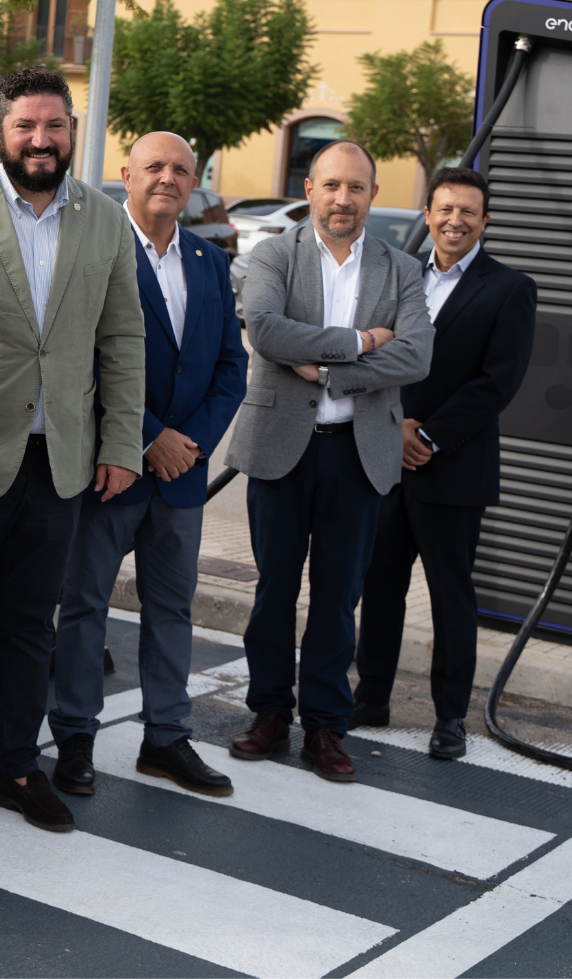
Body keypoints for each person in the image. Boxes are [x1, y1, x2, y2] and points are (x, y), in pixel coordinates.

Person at [0, 67, 144, 835]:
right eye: (25, 127)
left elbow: (123, 338)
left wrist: (121, 443)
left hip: (62, 463)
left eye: (54, 126)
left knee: (28, 625)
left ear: (73, 130)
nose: (41, 140)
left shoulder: (106, 220)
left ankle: (19, 766)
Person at [224, 139, 432, 783]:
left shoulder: (401, 270)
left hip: (359, 454)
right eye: (332, 185)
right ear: (309, 189)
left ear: (373, 195)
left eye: (358, 187)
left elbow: (416, 356)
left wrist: (329, 372)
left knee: (339, 598)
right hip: (281, 448)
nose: (344, 199)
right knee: (274, 593)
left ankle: (324, 728)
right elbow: (266, 330)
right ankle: (268, 714)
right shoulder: (273, 255)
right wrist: (362, 342)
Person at [50, 131, 248, 798]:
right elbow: (83, 362)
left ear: (194, 183)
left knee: (173, 607)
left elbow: (231, 366)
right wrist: (147, 438)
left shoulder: (210, 261)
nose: (168, 178)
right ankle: (74, 738)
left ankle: (166, 737)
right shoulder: (96, 251)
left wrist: (188, 443)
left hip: (182, 474)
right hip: (112, 467)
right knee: (84, 605)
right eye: (155, 167)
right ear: (126, 175)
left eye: (181, 170)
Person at [353, 167, 536, 759]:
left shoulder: (509, 288)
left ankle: (450, 717)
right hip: (386, 457)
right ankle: (371, 697)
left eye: (468, 212)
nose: (455, 220)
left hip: (452, 465)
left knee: (450, 595)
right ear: (427, 214)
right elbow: (375, 351)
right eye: (445, 209)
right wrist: (394, 426)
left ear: (485, 221)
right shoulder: (398, 276)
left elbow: (498, 381)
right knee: (379, 585)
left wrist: (428, 434)